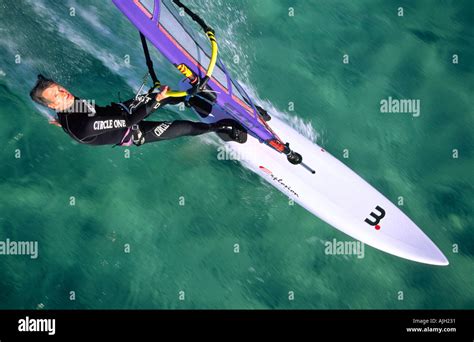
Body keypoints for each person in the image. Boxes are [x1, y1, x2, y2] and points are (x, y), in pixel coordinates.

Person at [29, 75, 247, 146]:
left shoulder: (65, 107)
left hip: (122, 110)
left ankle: (193, 98)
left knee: (164, 96)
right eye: (56, 95)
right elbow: (129, 121)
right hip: (133, 130)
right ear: (52, 105)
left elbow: (72, 120)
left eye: (59, 88)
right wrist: (155, 101)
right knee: (184, 128)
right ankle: (220, 127)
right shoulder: (84, 125)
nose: (63, 92)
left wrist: (63, 123)